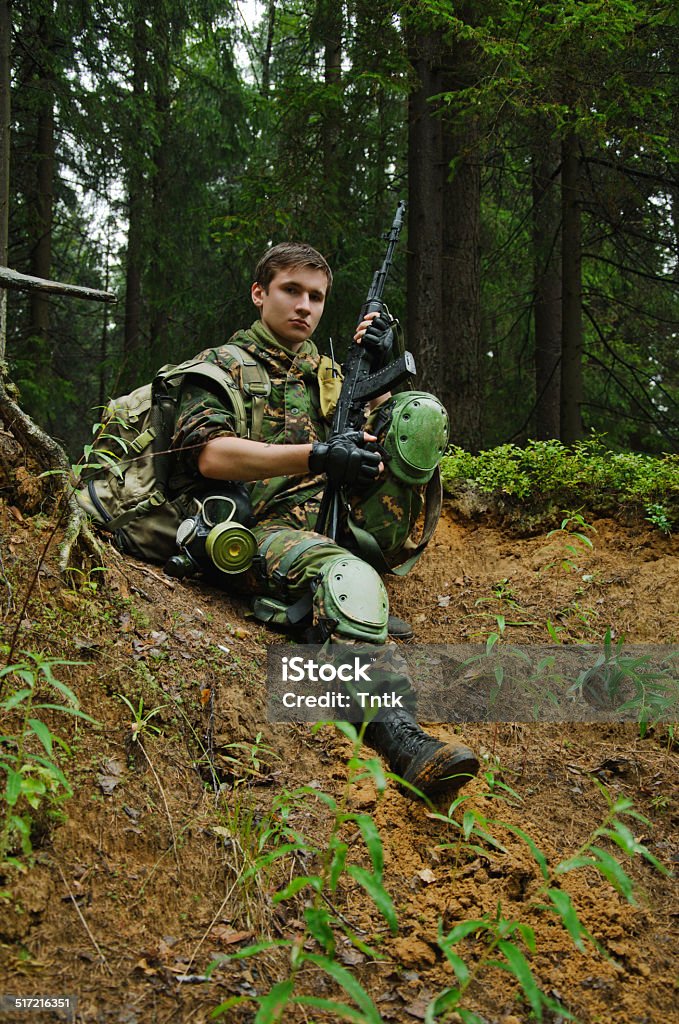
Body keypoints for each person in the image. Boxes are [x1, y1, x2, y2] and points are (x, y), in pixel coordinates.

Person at [171, 241, 479, 798]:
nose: (304, 306)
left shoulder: (331, 375)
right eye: (291, 290)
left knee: (419, 415)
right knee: (348, 578)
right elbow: (210, 455)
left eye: (316, 296)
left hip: (326, 521)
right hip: (250, 531)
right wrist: (317, 455)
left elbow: (375, 441)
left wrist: (385, 376)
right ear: (260, 293)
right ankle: (403, 739)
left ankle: (343, 601)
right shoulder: (220, 366)